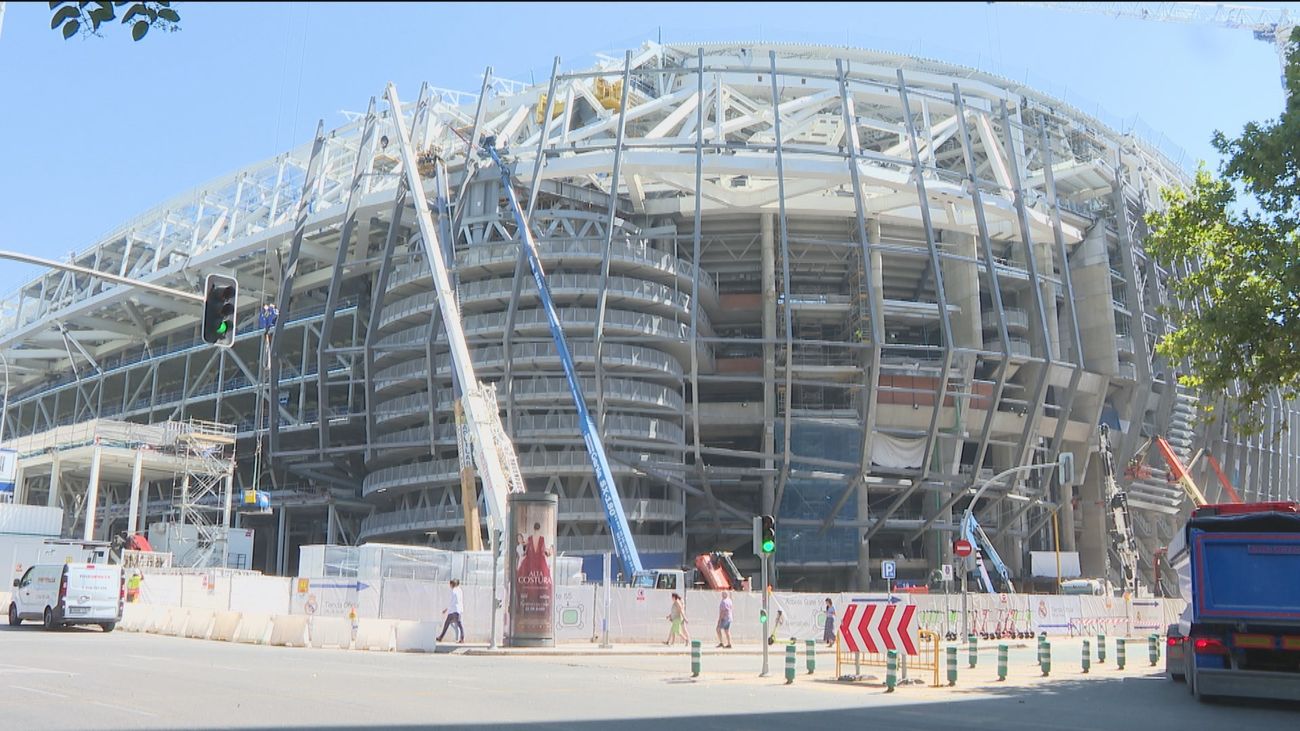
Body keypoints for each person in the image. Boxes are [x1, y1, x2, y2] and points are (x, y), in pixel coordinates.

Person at [437, 579, 464, 643]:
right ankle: (441, 637)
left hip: (454, 610)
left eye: (450, 584)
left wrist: (446, 609)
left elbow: (452, 601)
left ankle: (462, 638)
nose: (450, 586)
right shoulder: (459, 590)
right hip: (457, 610)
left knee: (458, 624)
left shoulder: (454, 591)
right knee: (450, 623)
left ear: (452, 584)